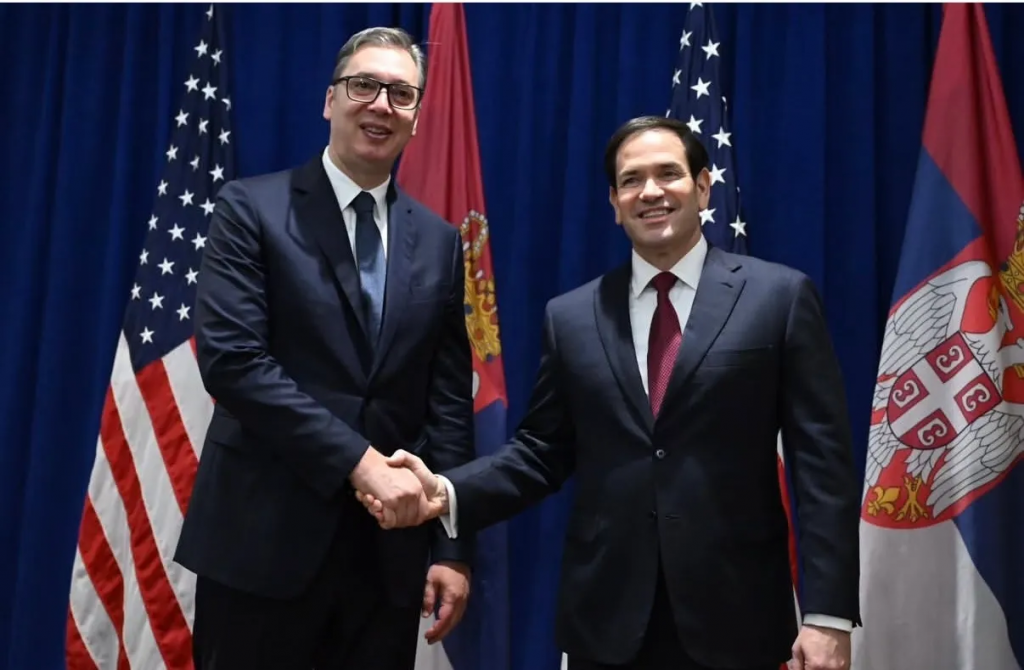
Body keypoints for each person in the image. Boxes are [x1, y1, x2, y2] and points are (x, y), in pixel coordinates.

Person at [358, 116, 861, 670]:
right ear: (615, 204)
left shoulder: (779, 298)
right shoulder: (572, 316)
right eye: (631, 180)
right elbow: (541, 452)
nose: (650, 191)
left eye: (668, 174)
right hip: (606, 622)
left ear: (702, 187)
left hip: (738, 615)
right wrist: (448, 491)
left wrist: (828, 615)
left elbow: (822, 467)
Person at [174, 26, 476, 669]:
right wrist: (359, 462)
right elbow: (233, 362)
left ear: (417, 118)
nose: (381, 105)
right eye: (363, 86)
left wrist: (452, 547)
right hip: (261, 547)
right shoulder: (250, 208)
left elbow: (448, 402)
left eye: (401, 94)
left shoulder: (442, 242)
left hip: (386, 562)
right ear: (329, 100)